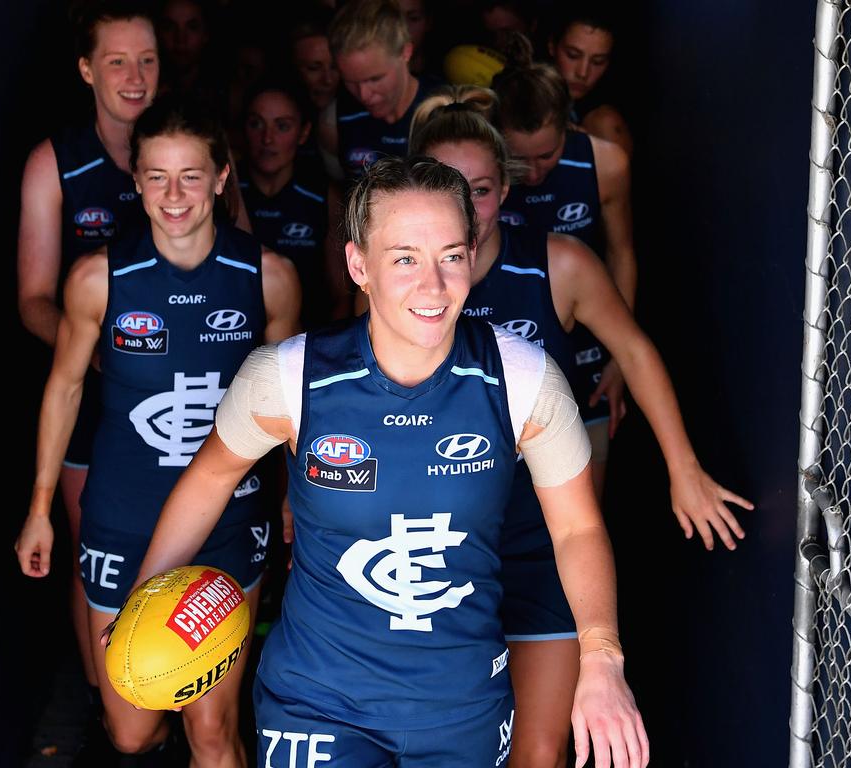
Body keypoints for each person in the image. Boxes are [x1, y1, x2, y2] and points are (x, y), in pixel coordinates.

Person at [120, 155, 649, 768]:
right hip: (316, 698)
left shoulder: (524, 378)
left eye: (451, 255)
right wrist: (141, 594)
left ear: (473, 256)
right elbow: (210, 478)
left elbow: (578, 527)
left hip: (462, 703)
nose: (433, 285)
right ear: (357, 265)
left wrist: (602, 659)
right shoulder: (288, 379)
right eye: (404, 259)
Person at [407, 85, 753, 768]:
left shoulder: (557, 263)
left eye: (478, 189)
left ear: (502, 190)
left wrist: (682, 470)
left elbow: (636, 351)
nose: (465, 209)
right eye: (446, 189)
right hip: (435, 544)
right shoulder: (398, 285)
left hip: (541, 539)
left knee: (539, 752)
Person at [15, 97, 301, 765]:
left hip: (229, 526)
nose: (175, 195)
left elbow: (296, 407)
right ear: (136, 181)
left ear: (222, 177)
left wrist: (293, 498)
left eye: (192, 175)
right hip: (122, 522)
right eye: (158, 176)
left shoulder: (269, 278)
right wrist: (39, 510)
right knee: (133, 727)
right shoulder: (96, 280)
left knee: (212, 731)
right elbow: (64, 388)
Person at [16, 0, 159, 704]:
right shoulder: (57, 163)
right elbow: (34, 298)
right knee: (96, 560)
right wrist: (100, 352)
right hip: (98, 397)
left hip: (188, 394)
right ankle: (115, 709)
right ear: (85, 69)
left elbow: (243, 263)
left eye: (147, 60)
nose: (134, 78)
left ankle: (180, 696)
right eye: (116, 62)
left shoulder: (188, 148)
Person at [493, 43, 634, 493]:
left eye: (546, 155)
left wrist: (618, 359)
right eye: (519, 160)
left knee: (586, 502)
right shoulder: (477, 172)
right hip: (506, 342)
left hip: (584, 345)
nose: (532, 173)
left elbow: (623, 254)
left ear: (566, 127)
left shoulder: (605, 162)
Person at [239, 77, 348, 326]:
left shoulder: (323, 195)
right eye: (256, 124)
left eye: (282, 126)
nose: (267, 139)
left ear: (304, 132)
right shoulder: (225, 191)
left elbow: (342, 298)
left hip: (308, 339)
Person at [319, 0, 431, 180]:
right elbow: (337, 195)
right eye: (350, 81)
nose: (364, 95)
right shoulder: (333, 122)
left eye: (375, 79)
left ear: (406, 51)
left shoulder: (447, 111)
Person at [547, 2, 632, 156]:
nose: (583, 72)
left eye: (598, 61)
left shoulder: (605, 123)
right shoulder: (524, 93)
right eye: (572, 55)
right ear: (552, 46)